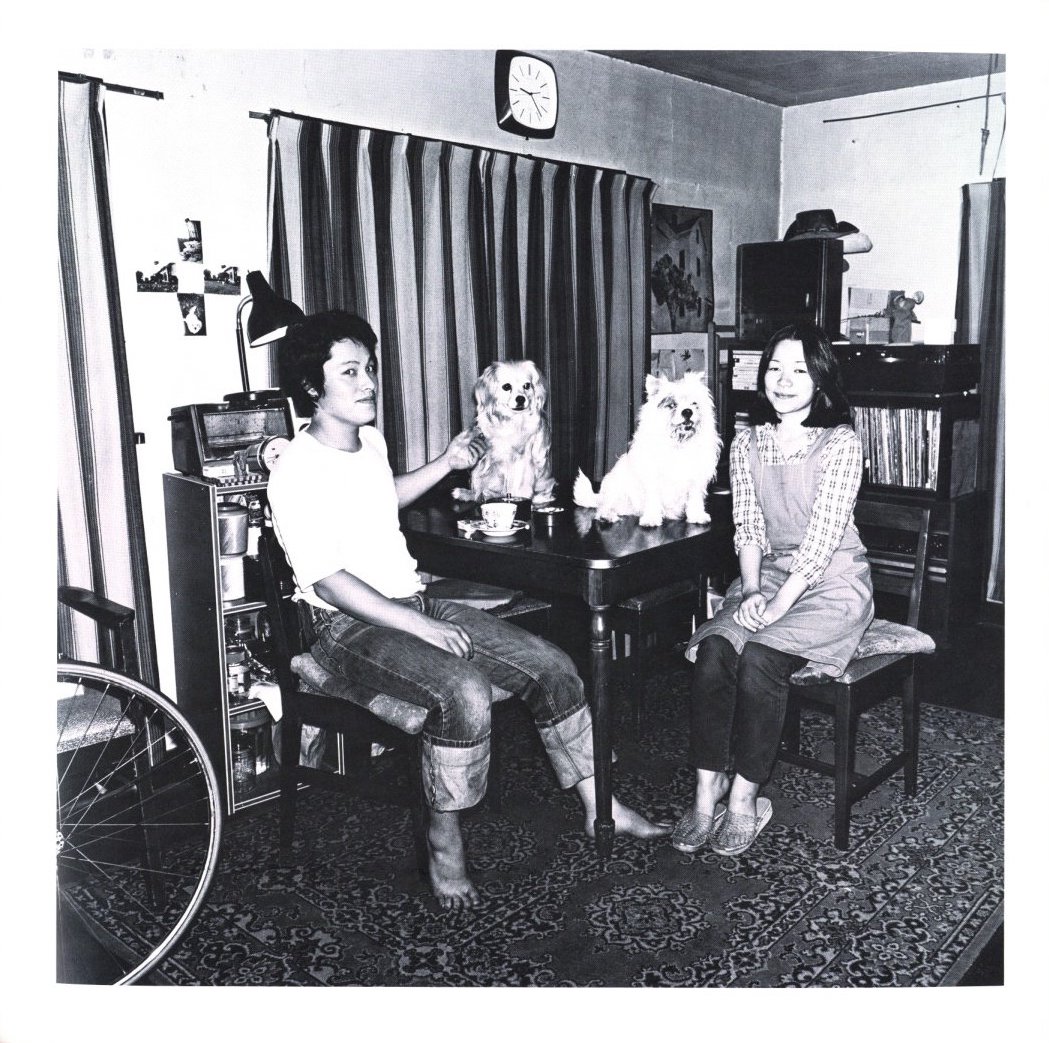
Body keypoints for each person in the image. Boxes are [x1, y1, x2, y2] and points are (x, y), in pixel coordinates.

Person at [267, 310, 669, 910]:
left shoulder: (368, 442)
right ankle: (443, 840)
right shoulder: (295, 470)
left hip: (410, 600)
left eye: (370, 368)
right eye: (349, 372)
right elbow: (328, 582)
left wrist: (447, 463)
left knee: (552, 664)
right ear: (310, 386)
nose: (369, 382)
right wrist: (422, 624)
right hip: (345, 628)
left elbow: (380, 498)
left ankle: (599, 803)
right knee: (465, 691)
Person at [672, 321, 874, 856]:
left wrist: (778, 606)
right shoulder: (746, 442)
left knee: (761, 655)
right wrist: (752, 589)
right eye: (775, 368)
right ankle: (706, 792)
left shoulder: (841, 442)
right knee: (715, 649)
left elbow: (823, 539)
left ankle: (745, 798)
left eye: (799, 370)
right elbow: (749, 527)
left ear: (820, 379)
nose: (784, 381)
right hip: (770, 575)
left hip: (832, 581)